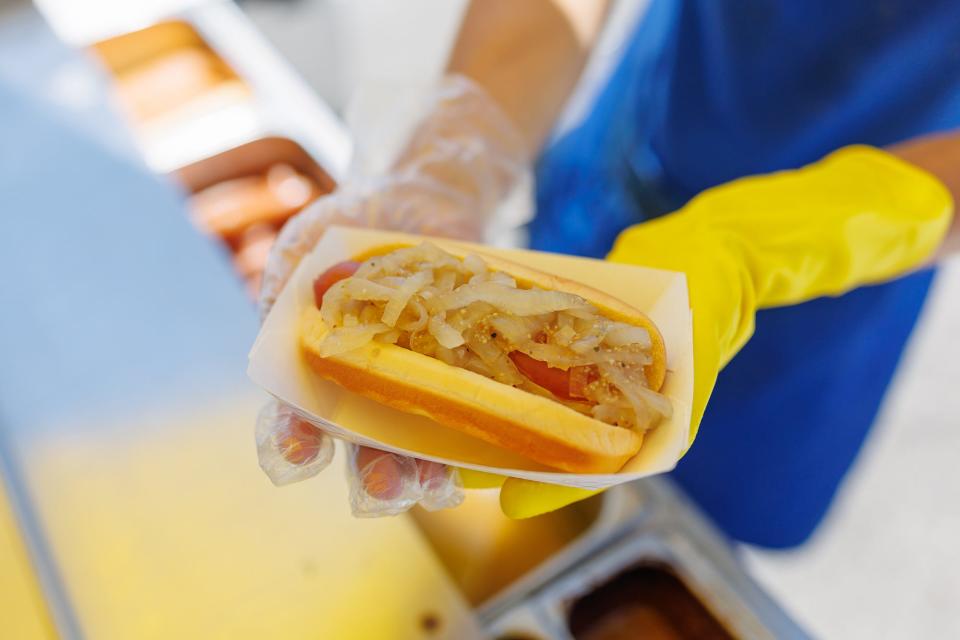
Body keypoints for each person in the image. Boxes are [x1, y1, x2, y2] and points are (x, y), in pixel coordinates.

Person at [257, 0, 960, 547]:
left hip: (850, 258)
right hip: (640, 142)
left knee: (698, 532)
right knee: (517, 502)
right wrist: (453, 163)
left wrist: (764, 242)